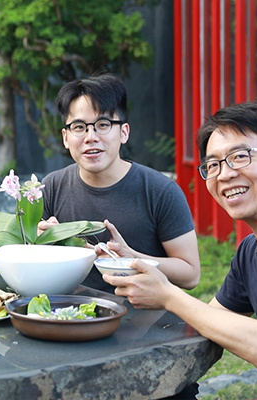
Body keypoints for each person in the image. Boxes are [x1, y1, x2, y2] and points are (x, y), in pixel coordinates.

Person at [103, 102, 257, 399]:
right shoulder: (251, 249)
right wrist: (134, 263)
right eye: (213, 165)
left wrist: (168, 295)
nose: (223, 174)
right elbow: (208, 320)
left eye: (240, 156)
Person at [39, 74, 200, 293]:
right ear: (66, 137)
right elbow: (32, 263)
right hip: (68, 310)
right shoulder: (51, 187)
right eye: (79, 127)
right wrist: (41, 244)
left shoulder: (160, 191)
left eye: (103, 124)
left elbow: (190, 275)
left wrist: (131, 258)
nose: (90, 137)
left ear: (123, 132)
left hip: (143, 312)